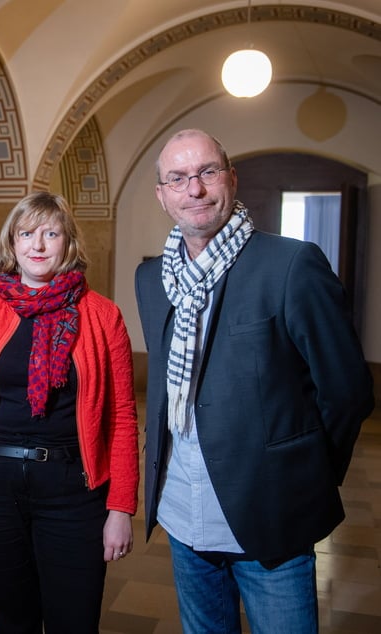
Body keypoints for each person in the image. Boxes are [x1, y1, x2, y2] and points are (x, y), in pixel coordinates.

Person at [135, 128, 374, 633]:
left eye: (206, 172)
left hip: (272, 516)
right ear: (161, 195)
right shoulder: (151, 277)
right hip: (182, 512)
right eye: (177, 178)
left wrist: (302, 472)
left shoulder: (290, 264)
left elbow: (347, 391)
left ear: (231, 178)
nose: (193, 189)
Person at [0, 191, 139, 633]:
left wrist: (121, 508)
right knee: (12, 621)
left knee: (75, 621)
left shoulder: (103, 316)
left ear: (68, 243)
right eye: (26, 233)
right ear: (12, 242)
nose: (37, 245)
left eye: (50, 233)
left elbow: (121, 418)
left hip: (74, 491)